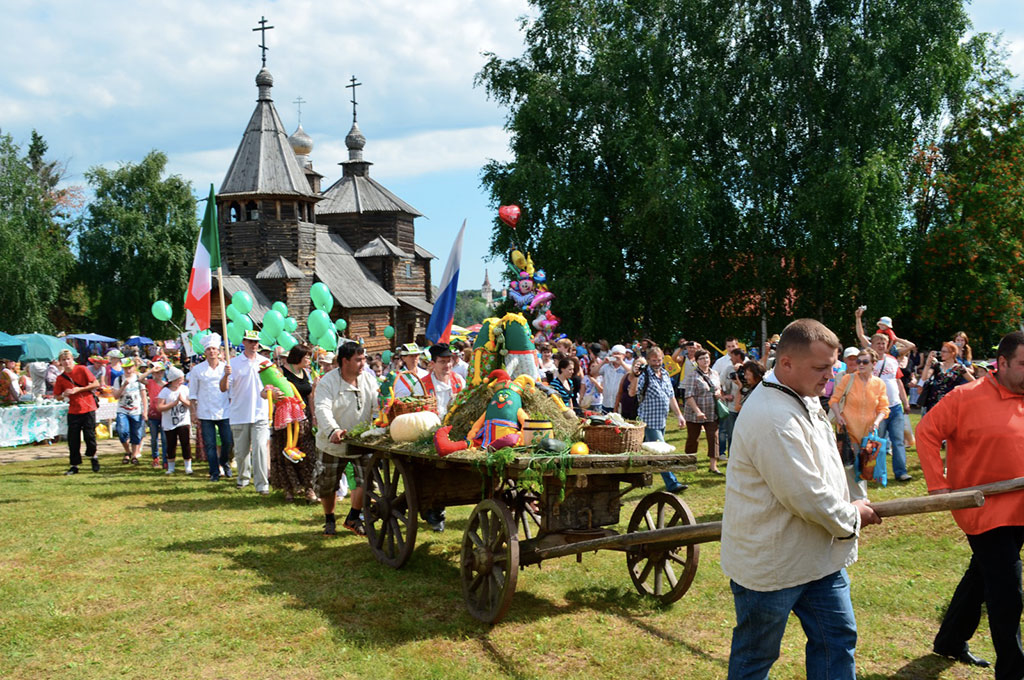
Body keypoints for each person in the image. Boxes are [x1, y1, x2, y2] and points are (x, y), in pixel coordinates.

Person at [721, 319, 881, 679]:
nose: (831, 374)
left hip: (819, 557)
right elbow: (806, 496)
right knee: (756, 656)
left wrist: (853, 499)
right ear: (787, 363)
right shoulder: (772, 415)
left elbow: (825, 469)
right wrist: (852, 516)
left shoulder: (804, 397)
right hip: (773, 564)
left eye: (833, 365)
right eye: (821, 367)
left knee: (837, 639)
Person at [917, 330, 1024, 676]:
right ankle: (1013, 669)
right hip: (983, 508)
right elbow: (927, 432)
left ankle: (950, 640)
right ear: (1002, 363)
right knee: (1008, 589)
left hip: (1021, 506)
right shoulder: (966, 397)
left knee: (982, 575)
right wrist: (937, 485)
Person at [313, 341, 379, 536]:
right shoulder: (328, 382)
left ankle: (353, 517)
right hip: (332, 442)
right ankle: (329, 519)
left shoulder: (368, 379)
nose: (363, 364)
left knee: (365, 482)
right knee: (328, 484)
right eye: (358, 360)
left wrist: (380, 423)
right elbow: (322, 408)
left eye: (364, 359)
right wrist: (333, 430)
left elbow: (377, 405)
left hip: (361, 441)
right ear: (345, 361)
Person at [829, 348, 889, 501]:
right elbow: (834, 401)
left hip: (868, 433)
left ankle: (854, 499)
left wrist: (876, 422)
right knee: (851, 466)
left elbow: (883, 408)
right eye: (858, 361)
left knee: (864, 465)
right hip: (848, 431)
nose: (860, 364)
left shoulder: (879, 384)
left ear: (873, 364)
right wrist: (838, 416)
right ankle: (860, 499)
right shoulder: (848, 379)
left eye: (865, 362)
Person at [221, 330, 277, 495]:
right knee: (241, 451)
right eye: (250, 342)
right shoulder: (234, 363)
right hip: (239, 413)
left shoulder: (265, 362)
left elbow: (274, 384)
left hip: (260, 413)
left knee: (260, 448)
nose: (254, 345)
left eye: (256, 342)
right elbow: (223, 388)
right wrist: (225, 376)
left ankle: (262, 484)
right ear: (244, 342)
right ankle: (243, 478)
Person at [629, 347, 687, 492]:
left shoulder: (665, 374)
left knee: (646, 450)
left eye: (659, 360)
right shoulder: (644, 375)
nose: (657, 363)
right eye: (654, 360)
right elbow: (632, 392)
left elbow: (671, 396)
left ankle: (636, 474)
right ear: (648, 361)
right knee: (661, 452)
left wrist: (679, 415)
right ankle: (672, 483)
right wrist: (636, 375)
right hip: (648, 420)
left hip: (662, 420)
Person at [269, 344, 318, 502]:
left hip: (304, 417)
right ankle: (289, 488)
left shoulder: (306, 372)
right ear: (298, 357)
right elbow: (266, 391)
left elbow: (310, 395)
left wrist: (314, 415)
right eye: (307, 357)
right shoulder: (281, 372)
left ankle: (309, 489)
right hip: (286, 418)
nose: (309, 360)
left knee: (308, 453)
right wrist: (273, 394)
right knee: (286, 452)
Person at [865, 330, 913, 482]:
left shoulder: (892, 360)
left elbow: (898, 381)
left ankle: (901, 472)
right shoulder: (867, 362)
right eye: (878, 343)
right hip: (877, 409)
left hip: (895, 406)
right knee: (877, 441)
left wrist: (905, 401)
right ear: (871, 345)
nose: (881, 345)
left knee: (898, 440)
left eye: (883, 343)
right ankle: (878, 473)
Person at [188, 335, 233, 482]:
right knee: (210, 444)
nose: (212, 351)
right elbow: (193, 393)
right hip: (205, 411)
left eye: (214, 349)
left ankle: (224, 462)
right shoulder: (198, 370)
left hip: (224, 410)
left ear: (219, 351)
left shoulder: (226, 367)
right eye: (209, 349)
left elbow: (230, 390)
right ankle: (214, 471)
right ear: (205, 352)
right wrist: (193, 412)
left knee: (228, 441)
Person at [53, 349, 101, 474]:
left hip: (88, 407)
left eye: (68, 359)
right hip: (74, 410)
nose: (67, 362)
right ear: (60, 362)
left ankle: (93, 456)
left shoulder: (82, 369)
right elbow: (57, 395)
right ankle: (74, 465)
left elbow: (96, 383)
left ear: (72, 359)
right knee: (73, 439)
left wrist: (79, 389)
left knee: (89, 436)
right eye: (63, 360)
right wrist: (64, 394)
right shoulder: (60, 378)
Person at [682, 348, 723, 474]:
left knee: (713, 437)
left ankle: (713, 466)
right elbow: (688, 396)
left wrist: (718, 393)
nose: (705, 360)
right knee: (693, 439)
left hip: (712, 412)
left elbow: (719, 389)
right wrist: (698, 411)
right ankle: (689, 463)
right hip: (694, 414)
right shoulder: (692, 376)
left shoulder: (715, 373)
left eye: (707, 358)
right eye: (701, 358)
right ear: (696, 360)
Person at [918, 342, 975, 415]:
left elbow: (973, 382)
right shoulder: (937, 365)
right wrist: (927, 364)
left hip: (951, 403)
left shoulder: (959, 368)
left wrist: (961, 388)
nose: (942, 353)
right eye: (941, 351)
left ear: (953, 353)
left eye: (944, 352)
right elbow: (925, 377)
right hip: (933, 403)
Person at [158, 366, 192, 475]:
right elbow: (160, 407)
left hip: (183, 421)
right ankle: (171, 467)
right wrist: (173, 404)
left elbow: (191, 405)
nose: (181, 381)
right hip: (169, 422)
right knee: (171, 444)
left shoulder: (185, 389)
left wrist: (183, 401)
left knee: (185, 443)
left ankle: (188, 466)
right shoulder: (165, 391)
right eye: (179, 379)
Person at [113, 358, 147, 464]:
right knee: (122, 431)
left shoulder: (138, 378)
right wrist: (123, 386)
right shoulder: (118, 380)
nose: (128, 370)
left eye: (130, 368)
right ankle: (127, 451)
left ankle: (134, 455)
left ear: (134, 367)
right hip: (122, 409)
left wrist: (145, 411)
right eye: (126, 368)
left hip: (136, 410)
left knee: (136, 434)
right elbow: (115, 396)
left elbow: (144, 396)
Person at [594, 344, 629, 414]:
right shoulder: (606, 366)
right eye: (614, 354)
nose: (615, 356)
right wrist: (603, 362)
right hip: (606, 403)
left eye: (618, 354)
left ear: (624, 356)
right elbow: (593, 373)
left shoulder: (627, 367)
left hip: (620, 404)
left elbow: (633, 374)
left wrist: (621, 363)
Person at [145, 362, 167, 469]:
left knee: (164, 438)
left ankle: (165, 459)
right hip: (153, 414)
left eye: (161, 373)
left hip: (164, 414)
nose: (159, 375)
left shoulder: (166, 385)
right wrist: (150, 371)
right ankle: (155, 457)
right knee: (154, 438)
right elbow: (140, 379)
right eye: (157, 373)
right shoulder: (150, 382)